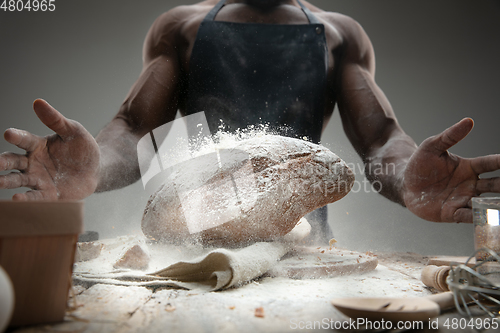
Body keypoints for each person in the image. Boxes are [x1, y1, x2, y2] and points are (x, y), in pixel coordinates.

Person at [1, 0, 499, 240]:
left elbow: (381, 139)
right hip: (191, 241)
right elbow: (133, 128)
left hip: (302, 246)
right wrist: (92, 170)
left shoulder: (337, 34)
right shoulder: (183, 28)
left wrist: (410, 180)